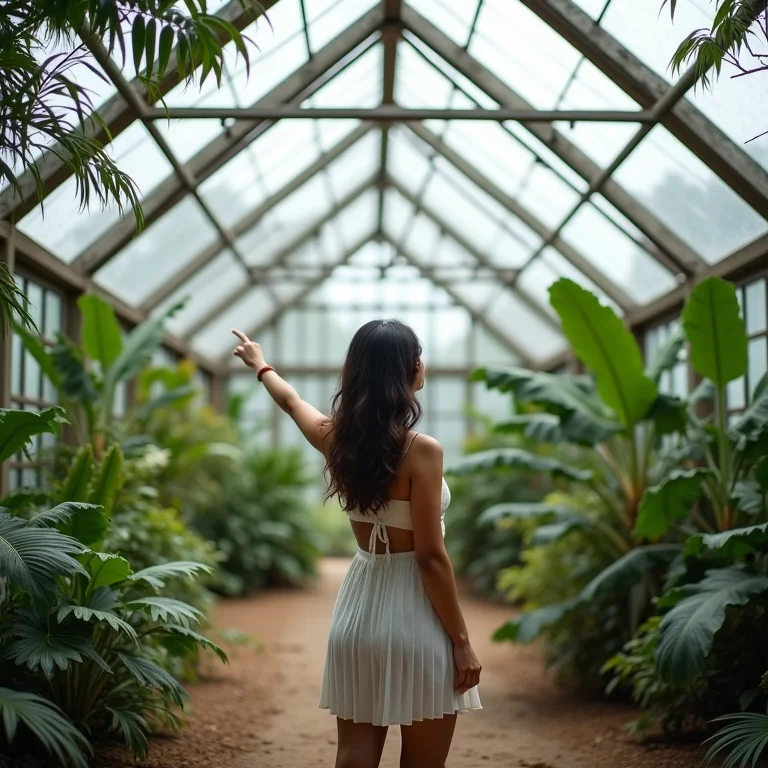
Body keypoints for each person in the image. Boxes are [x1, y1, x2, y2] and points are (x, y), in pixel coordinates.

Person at [231, 320, 482, 768]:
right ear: (405, 370)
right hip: (416, 618)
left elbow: (291, 403)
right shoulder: (422, 450)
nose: (422, 363)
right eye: (417, 355)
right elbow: (429, 556)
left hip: (359, 611)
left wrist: (261, 364)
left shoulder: (334, 438)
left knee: (354, 755)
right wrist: (461, 641)